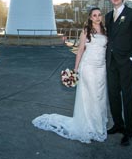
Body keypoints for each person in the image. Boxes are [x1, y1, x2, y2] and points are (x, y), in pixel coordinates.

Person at [32, 7, 108, 143]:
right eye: (94, 15)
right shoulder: (86, 31)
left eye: (99, 15)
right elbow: (80, 51)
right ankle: (90, 127)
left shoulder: (105, 31)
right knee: (92, 97)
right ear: (90, 18)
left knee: (100, 97)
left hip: (101, 68)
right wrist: (76, 69)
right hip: (88, 67)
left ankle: (98, 125)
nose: (97, 17)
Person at [105, 0, 132, 146]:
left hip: (126, 63)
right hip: (111, 62)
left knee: (127, 97)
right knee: (113, 95)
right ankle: (118, 124)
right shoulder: (108, 16)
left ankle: (128, 132)